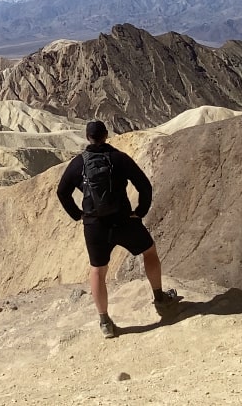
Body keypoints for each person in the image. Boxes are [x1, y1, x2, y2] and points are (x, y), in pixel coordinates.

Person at [56, 120, 179, 338]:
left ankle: (104, 321)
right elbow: (144, 185)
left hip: (94, 225)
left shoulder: (78, 164)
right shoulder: (119, 158)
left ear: (87, 138)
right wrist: (140, 211)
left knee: (97, 270)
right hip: (123, 220)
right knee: (149, 251)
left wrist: (78, 215)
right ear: (105, 135)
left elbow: (62, 192)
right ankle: (160, 298)